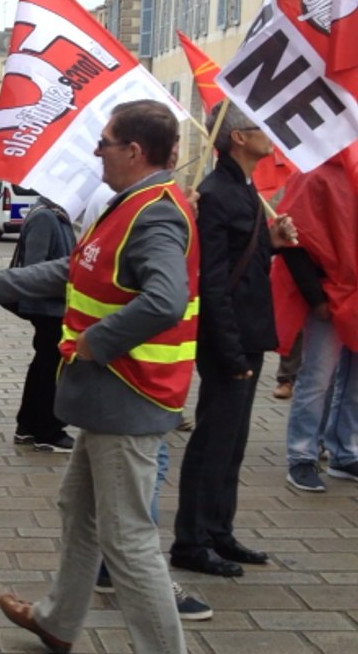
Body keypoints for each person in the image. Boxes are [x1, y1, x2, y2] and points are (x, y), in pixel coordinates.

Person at [0, 100, 198, 654]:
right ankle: (58, 620)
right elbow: (75, 269)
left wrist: (96, 341)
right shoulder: (130, 204)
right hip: (111, 396)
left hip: (128, 392)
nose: (95, 150)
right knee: (77, 508)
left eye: (103, 142)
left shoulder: (153, 211)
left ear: (133, 151)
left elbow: (166, 299)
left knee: (127, 541)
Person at [171, 102, 296, 577]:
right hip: (229, 339)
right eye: (259, 127)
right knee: (212, 439)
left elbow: (245, 257)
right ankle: (192, 540)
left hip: (248, 334)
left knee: (234, 440)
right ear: (238, 139)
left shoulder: (242, 189)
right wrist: (227, 350)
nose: (270, 134)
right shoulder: (217, 191)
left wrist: (274, 240)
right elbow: (213, 281)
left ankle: (219, 530)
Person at [279, 158, 358, 492]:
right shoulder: (314, 176)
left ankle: (344, 452)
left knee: (354, 382)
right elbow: (294, 242)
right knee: (317, 379)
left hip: (348, 293)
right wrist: (316, 298)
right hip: (330, 292)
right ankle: (302, 456)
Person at [10, 197, 77, 452]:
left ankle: (28, 425)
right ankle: (47, 431)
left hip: (55, 306)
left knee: (43, 364)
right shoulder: (44, 217)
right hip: (49, 307)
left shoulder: (56, 214)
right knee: (51, 368)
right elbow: (34, 269)